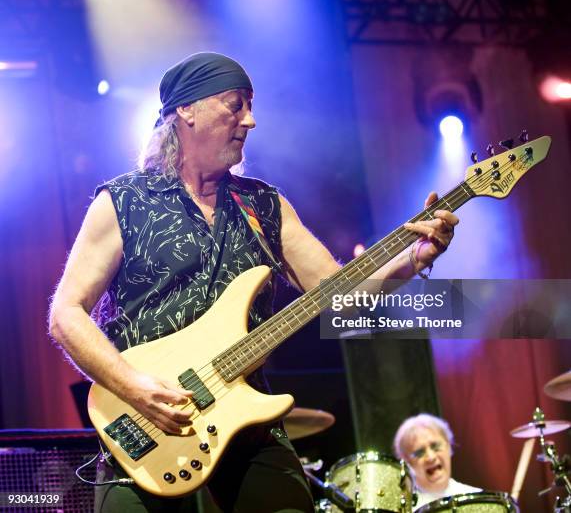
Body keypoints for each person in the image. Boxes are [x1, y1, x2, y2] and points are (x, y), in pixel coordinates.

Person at [49, 52, 459, 512]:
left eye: (250, 105)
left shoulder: (263, 205)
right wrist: (133, 387)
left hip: (245, 417)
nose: (250, 119)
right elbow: (66, 314)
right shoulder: (123, 201)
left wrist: (411, 258)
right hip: (146, 420)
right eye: (235, 104)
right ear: (187, 110)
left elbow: (338, 292)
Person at [394, 413, 481, 510]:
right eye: (419, 452)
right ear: (408, 463)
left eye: (435, 446)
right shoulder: (402, 510)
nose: (431, 457)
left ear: (449, 446)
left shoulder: (478, 500)